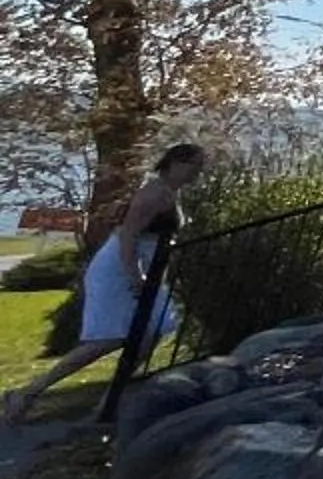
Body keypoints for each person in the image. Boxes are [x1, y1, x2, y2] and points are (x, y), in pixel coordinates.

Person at [4, 142, 207, 423]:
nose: (199, 170)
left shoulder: (170, 192)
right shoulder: (152, 194)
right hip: (121, 268)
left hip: (146, 267)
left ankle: (108, 402)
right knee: (109, 338)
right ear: (176, 163)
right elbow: (128, 237)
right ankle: (29, 392)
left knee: (151, 332)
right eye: (196, 164)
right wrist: (136, 276)